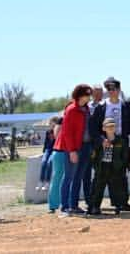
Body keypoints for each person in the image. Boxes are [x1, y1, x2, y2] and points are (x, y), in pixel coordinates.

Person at [50, 84, 92, 217]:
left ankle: (74, 205)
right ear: (79, 95)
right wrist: (72, 150)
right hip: (73, 147)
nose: (88, 97)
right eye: (87, 94)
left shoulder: (86, 109)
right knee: (69, 176)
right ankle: (64, 206)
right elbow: (67, 132)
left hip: (85, 146)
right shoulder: (72, 109)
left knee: (78, 177)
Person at [88, 119, 130, 215]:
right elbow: (93, 154)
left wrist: (121, 165)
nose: (111, 128)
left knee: (116, 187)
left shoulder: (121, 141)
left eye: (113, 126)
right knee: (97, 187)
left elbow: (124, 155)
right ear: (103, 128)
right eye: (108, 126)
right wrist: (96, 165)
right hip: (102, 167)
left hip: (115, 167)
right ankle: (95, 206)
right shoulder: (99, 140)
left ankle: (118, 205)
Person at [81, 84, 103, 208]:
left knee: (101, 173)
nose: (98, 95)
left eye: (100, 92)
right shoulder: (87, 108)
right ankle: (89, 200)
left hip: (102, 143)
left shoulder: (106, 106)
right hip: (89, 144)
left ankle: (97, 199)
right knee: (87, 174)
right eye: (95, 92)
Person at [37, 117, 60, 191]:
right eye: (50, 123)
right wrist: (44, 152)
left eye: (53, 123)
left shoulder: (58, 131)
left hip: (54, 149)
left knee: (49, 163)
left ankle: (47, 182)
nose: (51, 125)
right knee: (43, 162)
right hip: (48, 149)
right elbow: (46, 143)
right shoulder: (48, 132)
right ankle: (41, 181)